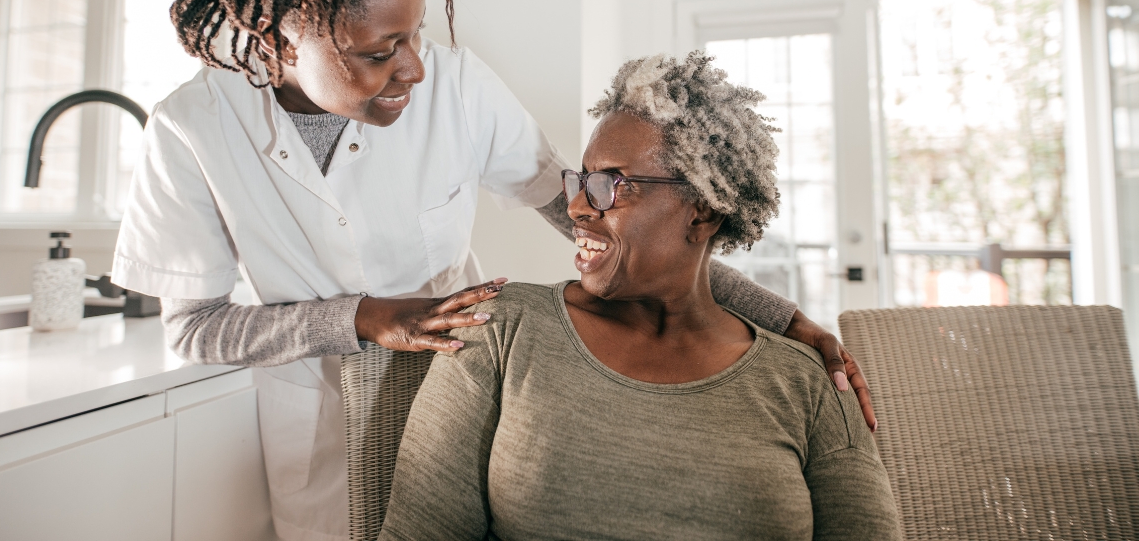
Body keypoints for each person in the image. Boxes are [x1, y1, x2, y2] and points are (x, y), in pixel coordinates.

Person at [111, 0, 874, 541]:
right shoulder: (191, 130)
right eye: (380, 53)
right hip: (313, 421)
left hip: (463, 397)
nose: (414, 68)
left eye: (414, 35)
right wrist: (367, 320)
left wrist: (784, 318)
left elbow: (603, 220)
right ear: (282, 39)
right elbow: (196, 328)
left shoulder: (458, 90)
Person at [380, 52, 900, 541]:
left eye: (613, 183)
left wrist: (787, 322)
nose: (579, 207)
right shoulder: (500, 330)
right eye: (581, 180)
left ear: (702, 210)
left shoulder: (807, 382)